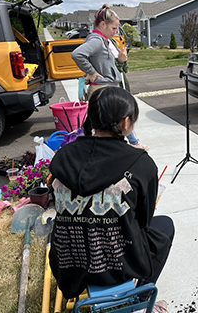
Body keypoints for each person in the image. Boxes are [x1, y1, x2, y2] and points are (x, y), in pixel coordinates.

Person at [48, 86, 174, 311]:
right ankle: (141, 297)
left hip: (68, 265)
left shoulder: (63, 155)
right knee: (164, 227)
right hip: (115, 267)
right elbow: (143, 223)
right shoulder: (141, 164)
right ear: (125, 123)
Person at [72, 4, 148, 150]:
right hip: (103, 88)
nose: (115, 32)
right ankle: (121, 147)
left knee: (111, 120)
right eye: (113, 28)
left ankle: (130, 143)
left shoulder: (103, 40)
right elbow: (77, 54)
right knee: (111, 124)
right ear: (102, 24)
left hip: (107, 86)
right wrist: (91, 72)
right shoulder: (96, 40)